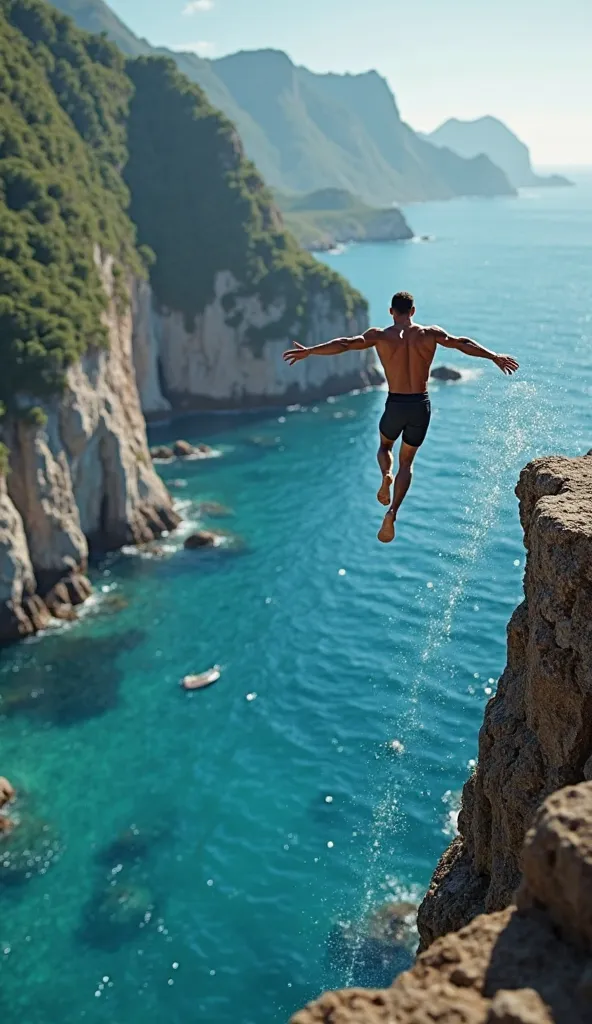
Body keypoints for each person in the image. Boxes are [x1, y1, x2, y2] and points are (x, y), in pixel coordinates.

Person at [283, 291, 519, 544]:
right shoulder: (431, 334)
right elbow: (462, 342)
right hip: (420, 404)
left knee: (385, 446)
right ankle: (393, 511)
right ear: (413, 311)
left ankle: (386, 474)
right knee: (407, 462)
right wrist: (494, 356)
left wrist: (310, 351)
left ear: (391, 312)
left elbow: (345, 343)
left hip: (395, 403)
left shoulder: (379, 336)